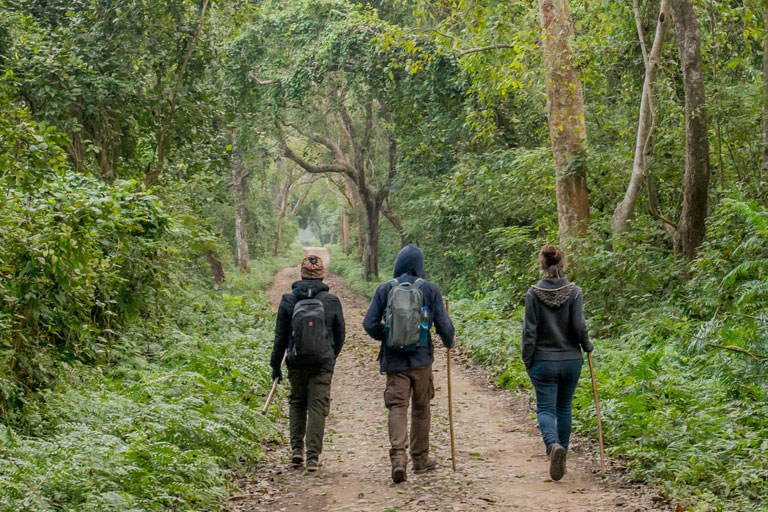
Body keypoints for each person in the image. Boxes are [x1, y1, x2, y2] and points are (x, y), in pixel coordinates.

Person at [363, 244, 455, 483]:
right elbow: (445, 327)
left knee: (397, 407)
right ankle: (421, 459)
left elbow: (369, 323)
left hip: (394, 361)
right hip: (422, 360)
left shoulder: (385, 289)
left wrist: (389, 336)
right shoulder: (430, 290)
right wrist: (449, 341)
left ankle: (398, 459)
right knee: (422, 408)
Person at [522, 244, 594, 481]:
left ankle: (553, 447)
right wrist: (587, 346)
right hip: (571, 360)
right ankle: (561, 450)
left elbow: (529, 332)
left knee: (546, 408)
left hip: (543, 361)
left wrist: (527, 359)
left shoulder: (533, 294)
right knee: (564, 407)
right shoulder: (574, 292)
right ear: (562, 264)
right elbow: (579, 326)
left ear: (542, 265)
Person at [270, 254, 345, 472]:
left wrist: (276, 365)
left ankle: (296, 451)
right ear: (322, 275)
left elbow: (280, 337)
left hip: (296, 361)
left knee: (297, 402)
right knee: (317, 407)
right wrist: (330, 356)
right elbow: (340, 335)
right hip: (322, 363)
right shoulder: (331, 301)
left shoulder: (288, 300)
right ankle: (312, 458)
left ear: (301, 273)